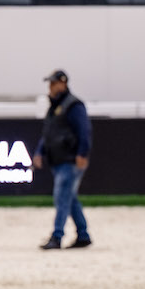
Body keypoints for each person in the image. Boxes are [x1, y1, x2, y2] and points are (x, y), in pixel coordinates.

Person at [36, 69, 92, 250]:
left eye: (53, 83)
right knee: (70, 198)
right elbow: (49, 133)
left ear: (63, 83)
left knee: (61, 198)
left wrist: (82, 154)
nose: (50, 87)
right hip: (59, 159)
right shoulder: (55, 107)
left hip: (70, 160)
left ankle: (57, 236)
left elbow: (84, 131)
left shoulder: (74, 106)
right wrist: (40, 151)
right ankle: (83, 235)